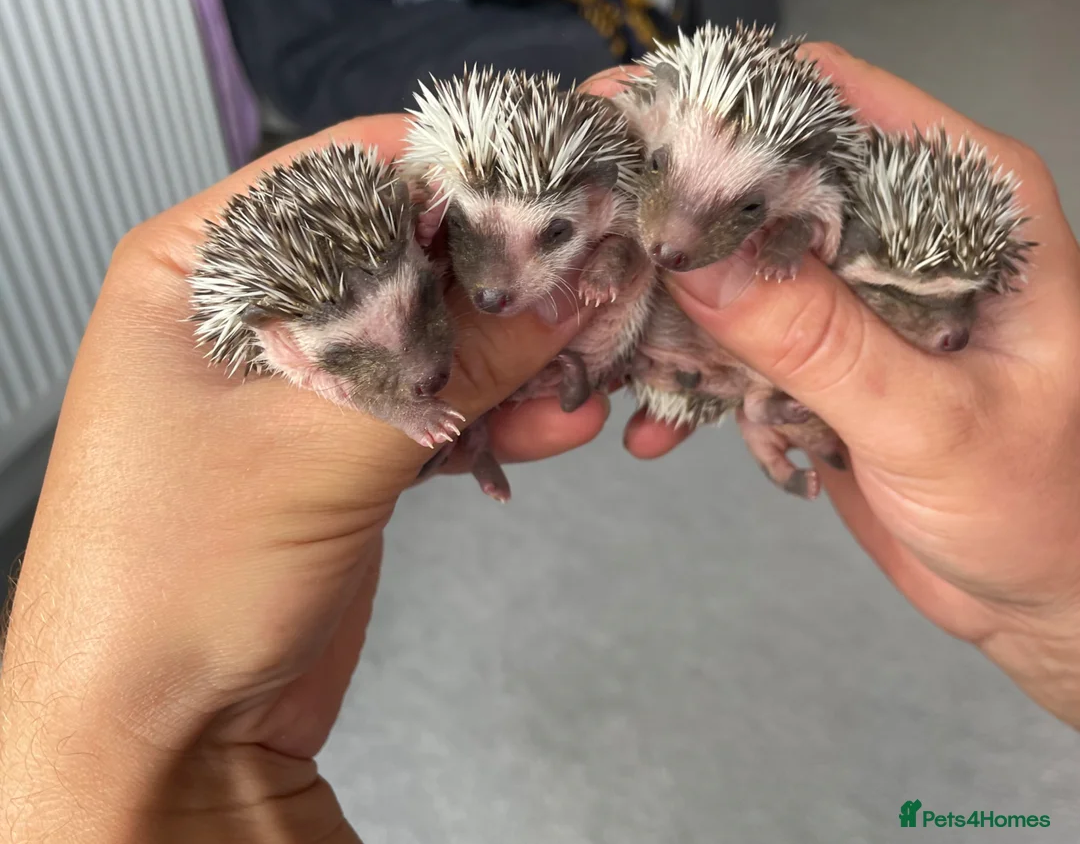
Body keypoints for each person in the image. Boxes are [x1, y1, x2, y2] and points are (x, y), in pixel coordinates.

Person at [1, 44, 1079, 843]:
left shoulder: (695, 213)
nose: (491, 289)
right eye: (468, 240)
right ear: (428, 221)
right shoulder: (414, 265)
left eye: (557, 230)